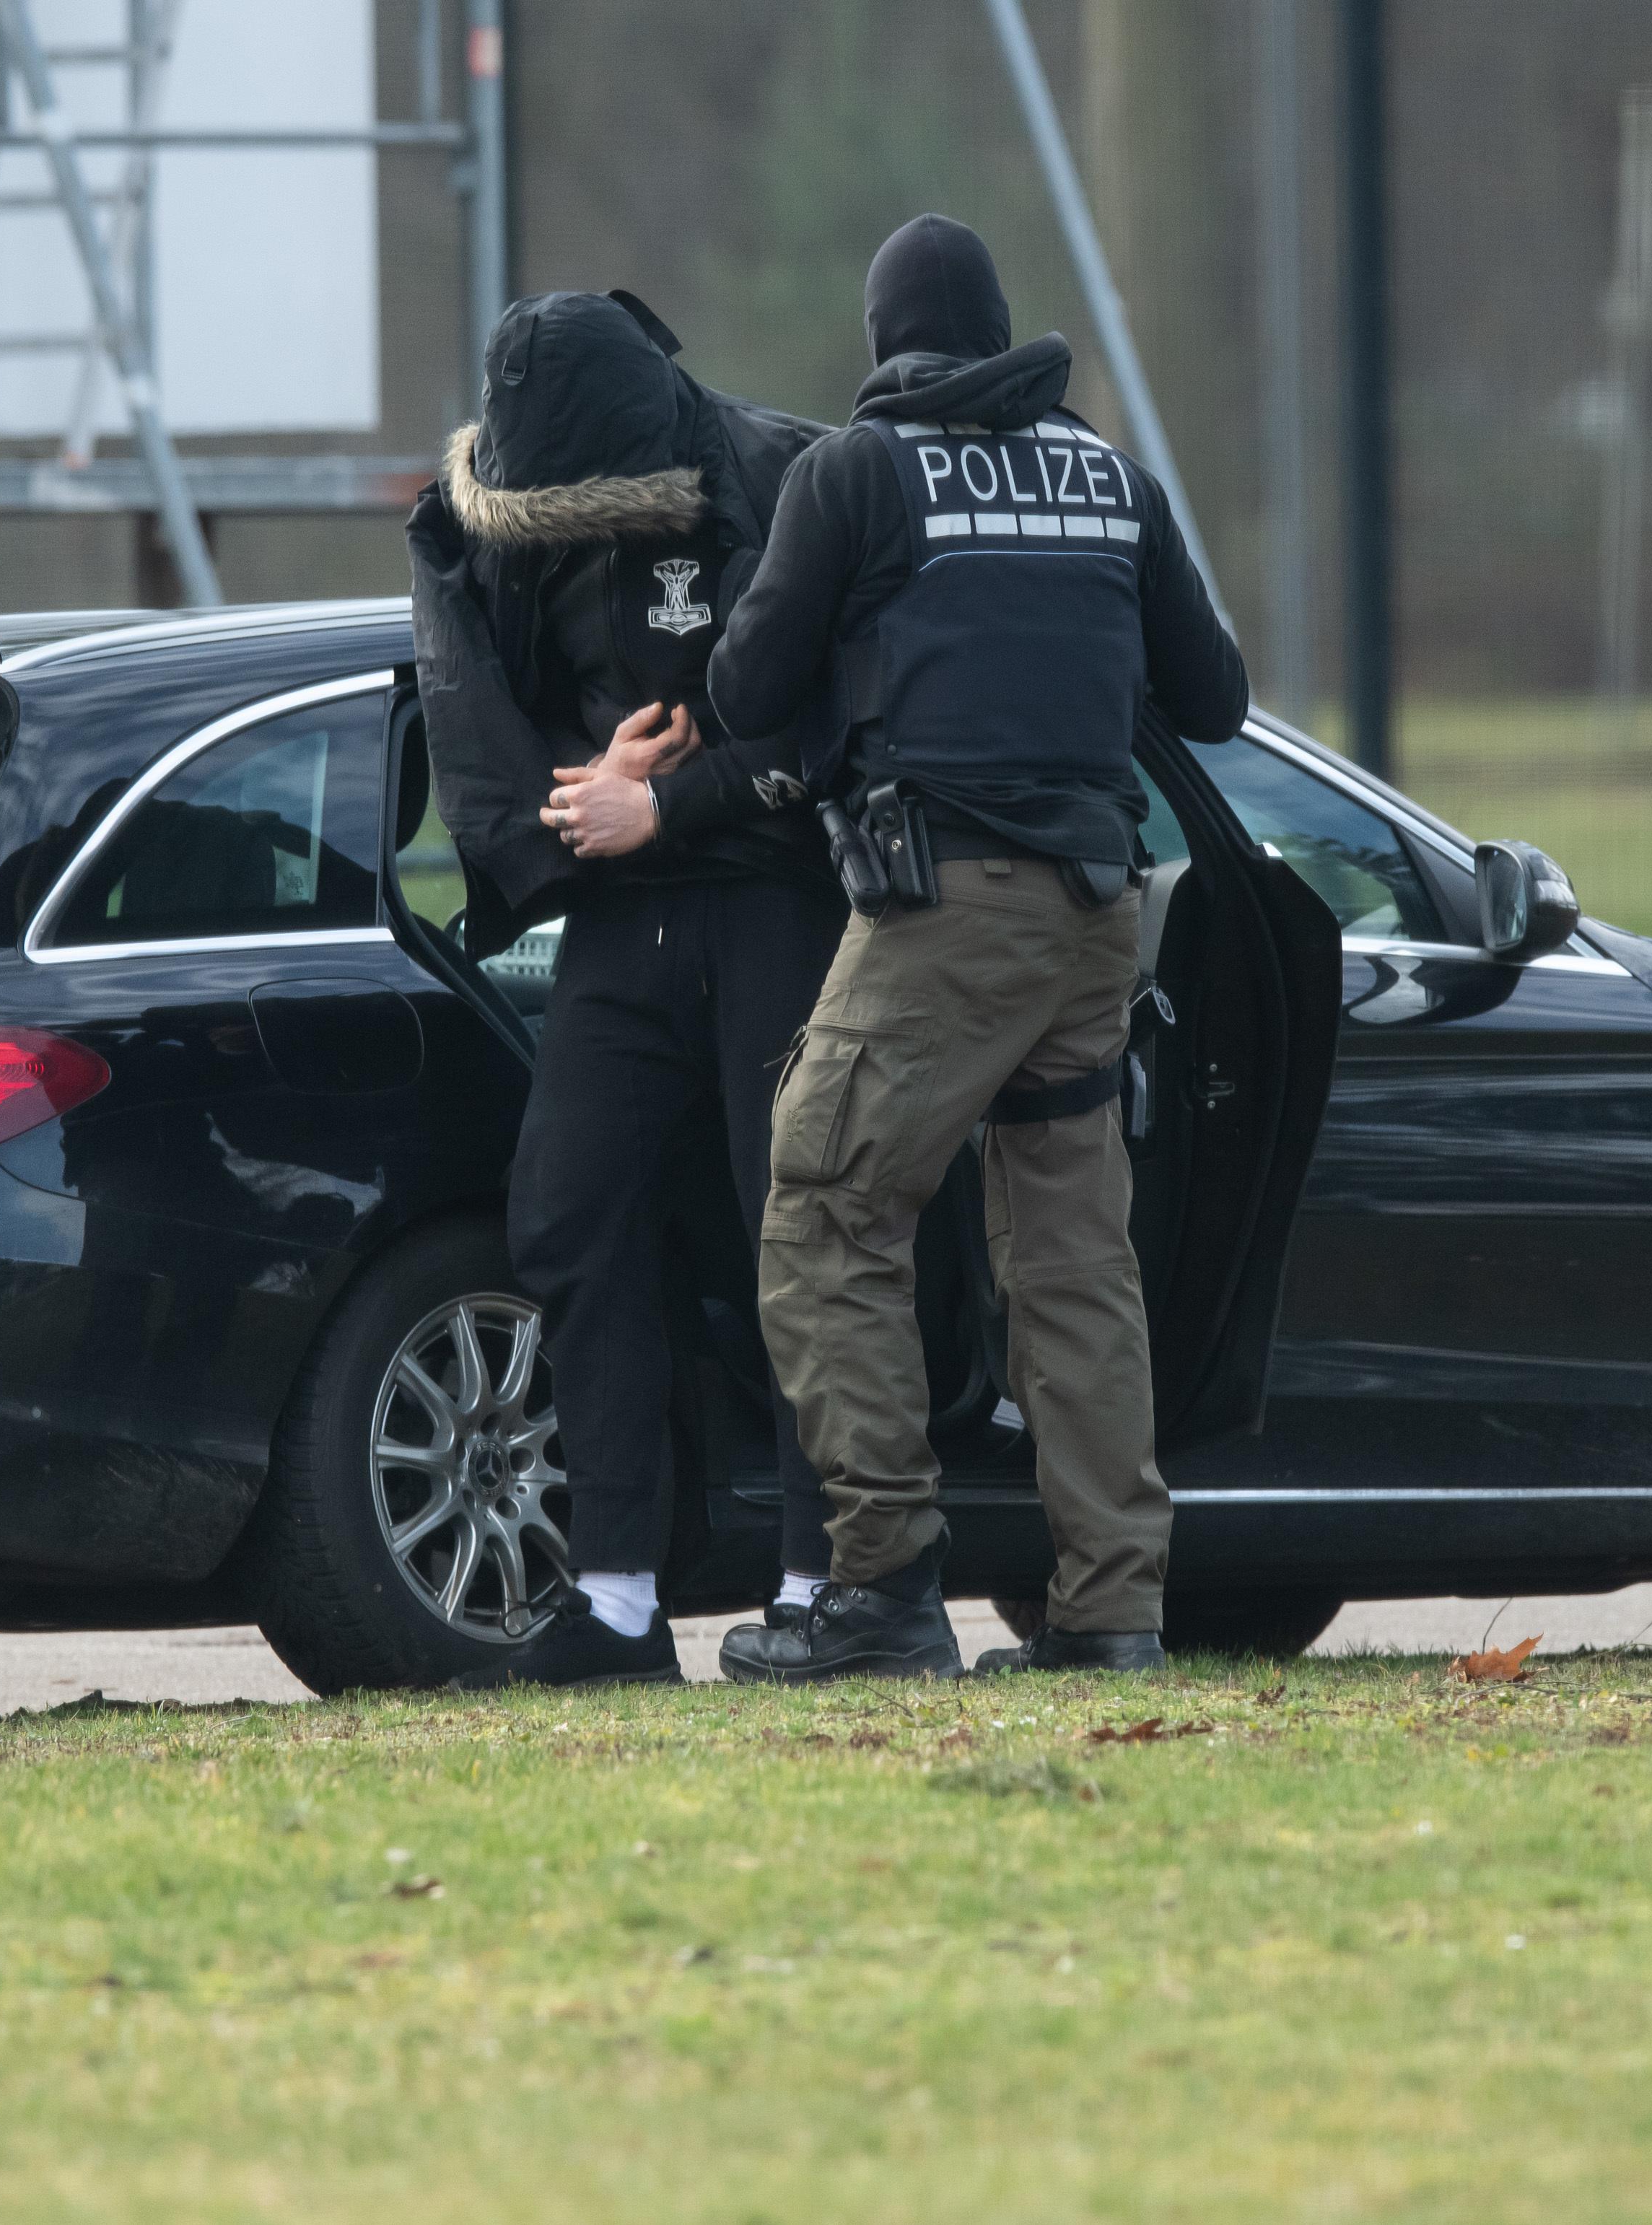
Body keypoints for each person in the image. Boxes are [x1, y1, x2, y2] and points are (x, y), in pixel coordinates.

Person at [704, 214, 1250, 1682]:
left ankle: (878, 1587)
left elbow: (746, 681)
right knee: (1074, 1262)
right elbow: (1215, 700)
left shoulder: (855, 473)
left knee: (822, 1213)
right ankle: (1112, 1610)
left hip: (944, 910)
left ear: (884, 343)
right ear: (1002, 330)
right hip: (1096, 922)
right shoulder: (1108, 478)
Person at [406, 289, 848, 1684]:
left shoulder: (790, 483)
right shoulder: (494, 518)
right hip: (614, 912)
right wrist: (582, 808)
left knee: (798, 1227)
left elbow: (841, 724)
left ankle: (822, 1581)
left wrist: (679, 797)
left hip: (775, 899)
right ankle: (613, 1602)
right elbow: (485, 726)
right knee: (570, 1206)